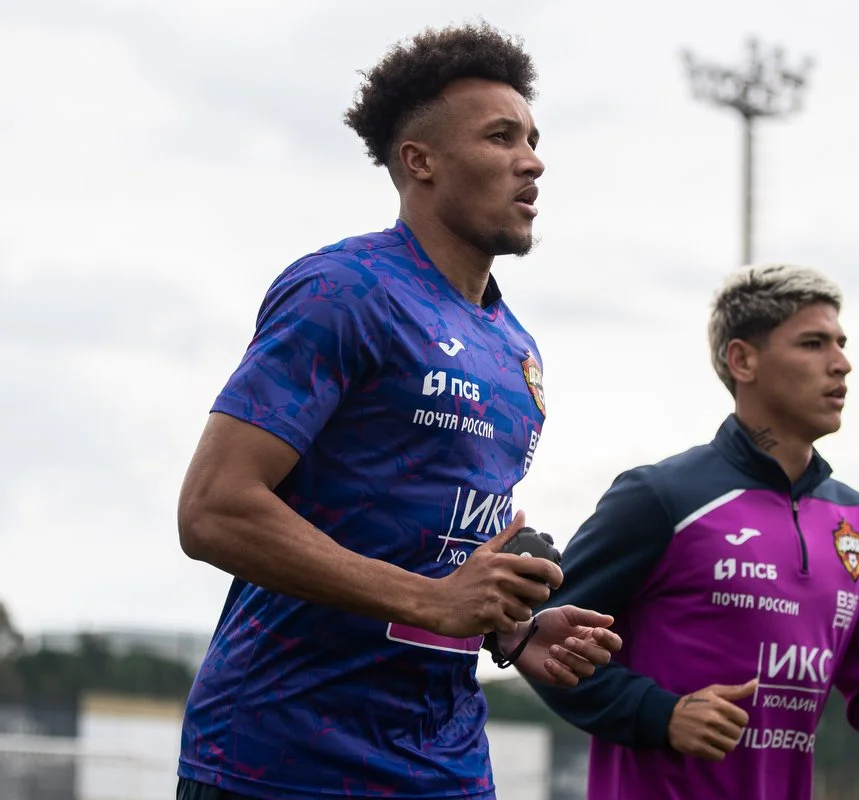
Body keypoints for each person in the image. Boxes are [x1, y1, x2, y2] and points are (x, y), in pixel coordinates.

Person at [174, 22, 621, 800]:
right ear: (420, 161)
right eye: (501, 137)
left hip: (445, 764)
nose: (532, 161)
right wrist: (432, 600)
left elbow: (439, 543)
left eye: (533, 139)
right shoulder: (344, 290)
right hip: (281, 763)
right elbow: (213, 510)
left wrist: (511, 631)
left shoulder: (515, 347)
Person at [529, 264, 859, 799]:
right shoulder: (660, 498)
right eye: (813, 343)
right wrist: (661, 714)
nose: (842, 363)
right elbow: (538, 639)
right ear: (743, 360)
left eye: (841, 343)